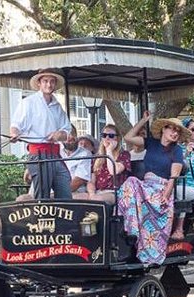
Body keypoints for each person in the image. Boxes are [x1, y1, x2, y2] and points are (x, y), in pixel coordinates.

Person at [120, 111, 188, 265]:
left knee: (132, 182)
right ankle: (132, 229)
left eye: (177, 130)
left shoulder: (177, 150)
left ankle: (146, 248)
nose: (174, 132)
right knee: (130, 182)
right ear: (163, 129)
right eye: (171, 128)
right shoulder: (151, 143)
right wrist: (143, 121)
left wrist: (166, 195)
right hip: (146, 185)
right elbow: (128, 138)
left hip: (161, 188)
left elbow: (174, 176)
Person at [9, 68, 73, 199]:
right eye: (45, 81)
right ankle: (40, 218)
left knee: (65, 188)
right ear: (39, 83)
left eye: (52, 81)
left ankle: (65, 218)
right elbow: (15, 125)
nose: (49, 85)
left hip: (55, 154)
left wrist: (58, 135)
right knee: (42, 195)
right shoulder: (29, 102)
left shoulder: (57, 106)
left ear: (55, 84)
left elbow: (67, 132)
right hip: (38, 155)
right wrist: (14, 134)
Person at [86, 124, 131, 204]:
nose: (107, 138)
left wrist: (109, 150)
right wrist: (92, 194)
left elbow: (114, 171)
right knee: (74, 197)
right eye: (104, 135)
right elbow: (91, 181)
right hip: (97, 192)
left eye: (111, 135)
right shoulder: (97, 158)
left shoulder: (124, 155)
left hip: (115, 193)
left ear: (117, 138)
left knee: (96, 200)